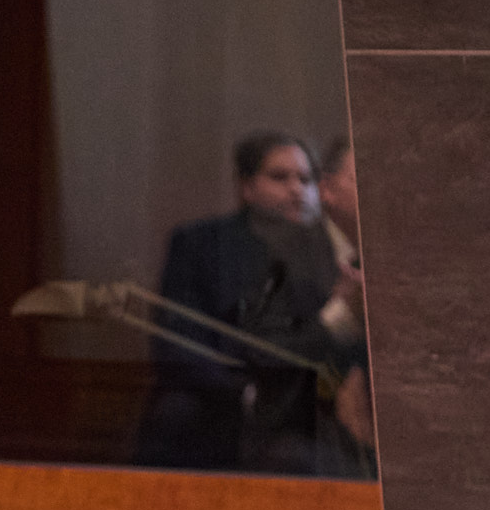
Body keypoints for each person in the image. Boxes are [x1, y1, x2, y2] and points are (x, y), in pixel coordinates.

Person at [133, 129, 369, 475]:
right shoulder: (203, 243)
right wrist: (247, 393)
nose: (297, 190)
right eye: (280, 177)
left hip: (301, 410)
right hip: (217, 400)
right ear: (247, 187)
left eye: (305, 179)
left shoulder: (332, 252)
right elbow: (179, 341)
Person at [320, 135, 376, 454]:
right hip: (310, 416)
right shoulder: (294, 252)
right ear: (327, 189)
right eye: (361, 178)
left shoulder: (391, 252)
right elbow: (287, 350)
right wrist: (345, 312)